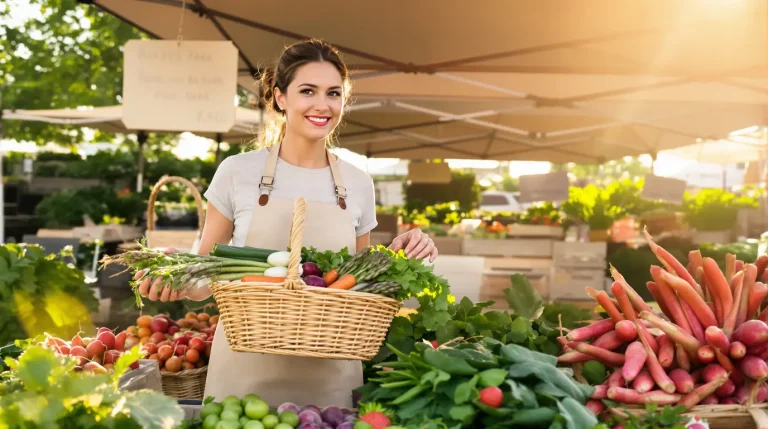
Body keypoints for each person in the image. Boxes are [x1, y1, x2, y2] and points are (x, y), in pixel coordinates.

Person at [137, 39, 438, 408]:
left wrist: (399, 253)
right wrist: (176, 281)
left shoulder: (358, 183)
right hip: (245, 373)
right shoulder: (238, 172)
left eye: (333, 93)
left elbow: (361, 285)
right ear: (280, 97)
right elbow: (205, 278)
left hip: (331, 377)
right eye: (307, 91)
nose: (322, 105)